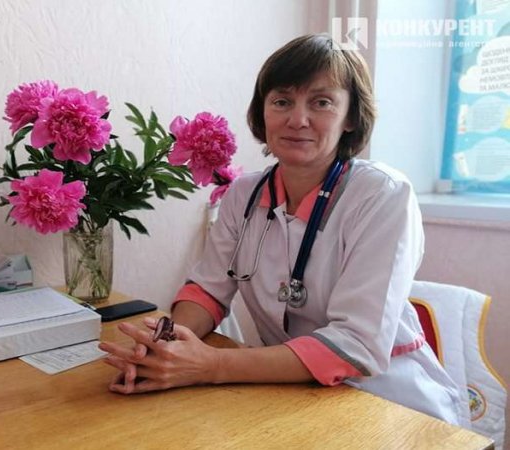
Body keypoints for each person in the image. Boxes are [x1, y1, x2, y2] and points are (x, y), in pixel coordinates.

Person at [98, 33, 466, 426]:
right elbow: (207, 290)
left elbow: (356, 344)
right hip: (290, 392)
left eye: (321, 102)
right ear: (263, 111)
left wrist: (211, 365)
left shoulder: (382, 195)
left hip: (389, 402)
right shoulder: (243, 194)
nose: (297, 119)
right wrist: (166, 348)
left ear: (351, 117)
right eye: (282, 101)